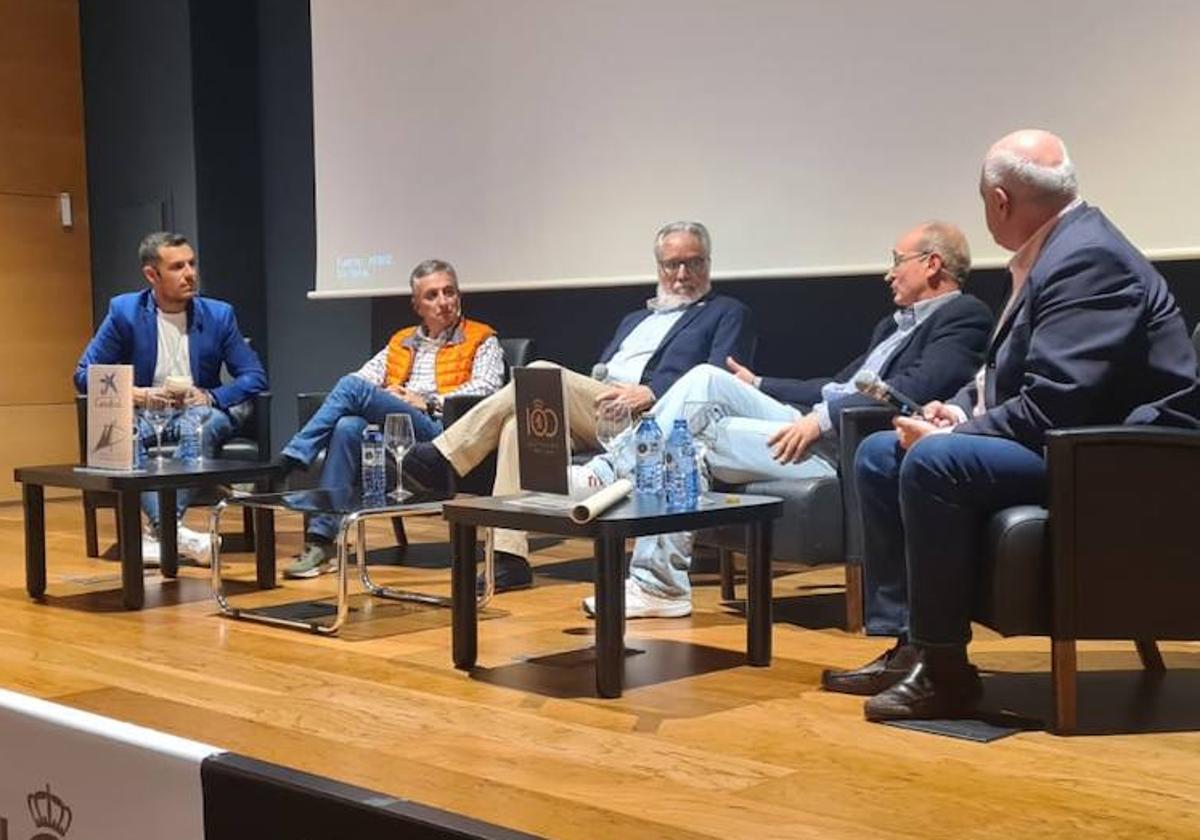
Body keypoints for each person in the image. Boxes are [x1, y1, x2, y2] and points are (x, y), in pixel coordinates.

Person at [822, 129, 1200, 722]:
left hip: (1117, 459)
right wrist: (965, 413)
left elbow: (1060, 402)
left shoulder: (1087, 258)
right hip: (1068, 438)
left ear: (999, 201)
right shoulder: (1055, 249)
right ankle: (913, 644)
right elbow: (1027, 381)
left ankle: (946, 674)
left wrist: (954, 437)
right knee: (878, 453)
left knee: (933, 460)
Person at [579, 221, 994, 618]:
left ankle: (617, 486)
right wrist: (759, 382)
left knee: (694, 417)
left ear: (932, 263)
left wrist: (823, 420)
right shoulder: (892, 325)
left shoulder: (963, 315)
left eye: (897, 260)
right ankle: (656, 583)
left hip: (848, 444)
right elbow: (834, 384)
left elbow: (917, 387)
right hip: (814, 425)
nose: (889, 273)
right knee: (700, 404)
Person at [404, 220, 755, 592]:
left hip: (656, 420)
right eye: (673, 265)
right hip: (603, 411)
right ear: (659, 268)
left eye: (694, 263)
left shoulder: (727, 312)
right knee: (516, 427)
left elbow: (718, 379)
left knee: (539, 374)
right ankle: (510, 558)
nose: (683, 274)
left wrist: (651, 392)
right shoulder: (635, 319)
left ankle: (443, 456)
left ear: (709, 264)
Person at [279, 258, 503, 578]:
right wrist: (391, 396)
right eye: (432, 296)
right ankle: (321, 540)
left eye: (449, 292)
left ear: (459, 295)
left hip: (443, 431)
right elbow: (364, 377)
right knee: (347, 426)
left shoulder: (482, 339)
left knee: (351, 388)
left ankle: (296, 453)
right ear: (417, 305)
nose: (443, 302)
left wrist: (425, 401)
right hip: (397, 427)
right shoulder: (401, 341)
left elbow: (487, 388)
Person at [74, 231, 268, 566]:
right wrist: (134, 394)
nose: (190, 273)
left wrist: (210, 395)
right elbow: (83, 374)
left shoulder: (219, 314)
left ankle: (160, 534)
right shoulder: (125, 312)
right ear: (152, 275)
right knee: (122, 432)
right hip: (147, 411)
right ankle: (173, 533)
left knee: (199, 427)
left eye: (192, 264)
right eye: (177, 267)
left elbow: (254, 376)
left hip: (199, 411)